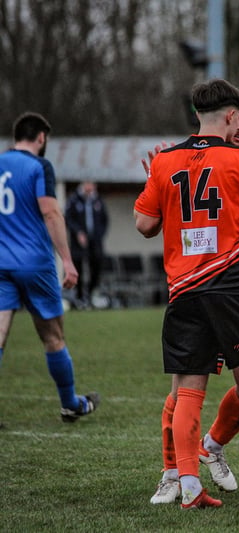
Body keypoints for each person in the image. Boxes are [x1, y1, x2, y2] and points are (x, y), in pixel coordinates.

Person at [134, 79, 239, 509]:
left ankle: (189, 484)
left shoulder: (166, 161)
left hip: (184, 289)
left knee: (190, 389)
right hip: (229, 285)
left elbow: (143, 224)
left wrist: (159, 181)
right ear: (228, 116)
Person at [0, 112, 100, 423]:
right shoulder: (39, 166)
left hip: (1, 263)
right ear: (41, 137)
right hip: (35, 264)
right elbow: (52, 214)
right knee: (53, 336)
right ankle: (70, 403)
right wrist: (67, 261)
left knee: (0, 335)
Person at [65, 181, 108, 308]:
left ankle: (89, 294)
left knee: (97, 264)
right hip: (78, 243)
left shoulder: (98, 200)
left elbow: (105, 220)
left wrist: (99, 235)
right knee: (78, 267)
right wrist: (78, 232)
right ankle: (79, 297)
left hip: (95, 242)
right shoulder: (74, 200)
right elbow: (68, 218)